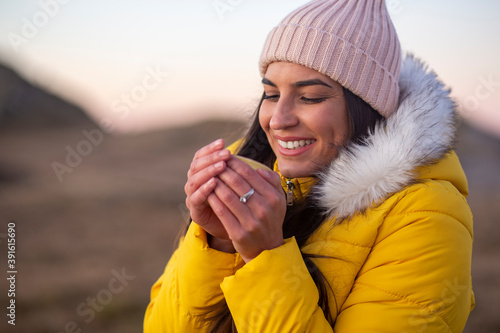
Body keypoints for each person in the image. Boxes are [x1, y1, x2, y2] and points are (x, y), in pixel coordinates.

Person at [144, 0, 474, 332]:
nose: (278, 120)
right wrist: (219, 243)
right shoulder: (249, 174)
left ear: (367, 107)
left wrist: (264, 256)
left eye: (311, 97)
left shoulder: (427, 215)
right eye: (271, 95)